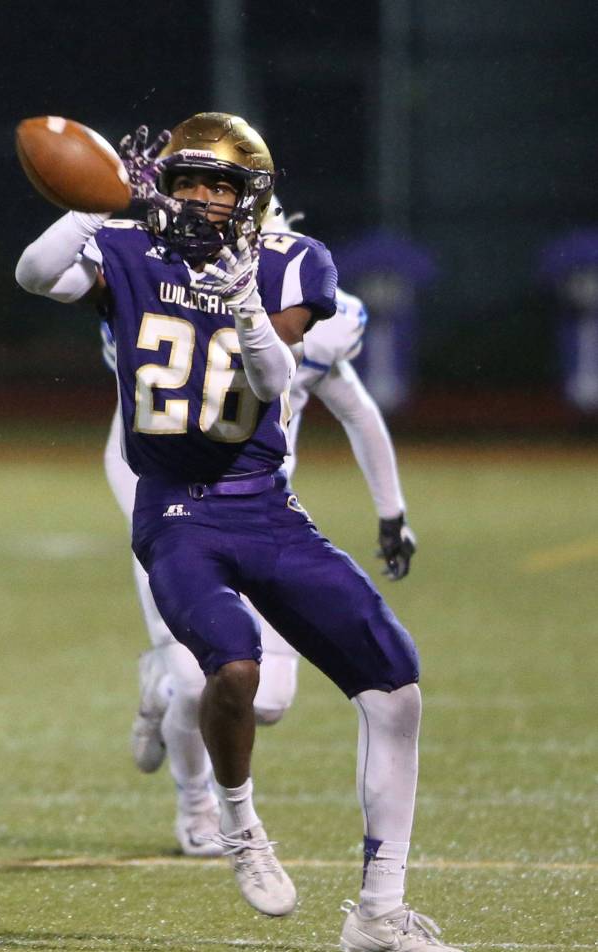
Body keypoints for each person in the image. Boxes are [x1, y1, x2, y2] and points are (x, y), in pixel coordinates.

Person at [16, 111, 469, 952]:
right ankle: (233, 823)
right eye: (186, 181)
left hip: (264, 503)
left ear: (253, 196)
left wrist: (245, 308)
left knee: (394, 685)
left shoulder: (296, 262)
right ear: (164, 183)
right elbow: (35, 271)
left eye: (219, 185)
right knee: (226, 665)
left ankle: (379, 908)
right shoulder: (129, 243)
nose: (201, 199)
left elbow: (279, 380)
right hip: (174, 500)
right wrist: (96, 200)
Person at [100, 197, 419, 861]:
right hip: (174, 505)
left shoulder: (309, 307)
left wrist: (391, 510)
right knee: (198, 678)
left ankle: (158, 685)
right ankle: (197, 805)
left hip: (259, 511)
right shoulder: (157, 286)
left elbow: (355, 410)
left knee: (265, 701)